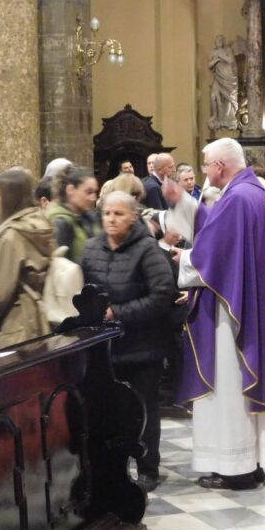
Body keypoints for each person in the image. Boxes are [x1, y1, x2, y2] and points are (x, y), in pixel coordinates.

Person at [169, 138, 265, 490]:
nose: (203, 171)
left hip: (233, 315)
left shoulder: (238, 198)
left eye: (205, 164)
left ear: (219, 166)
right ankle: (251, 463)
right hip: (248, 301)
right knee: (237, 388)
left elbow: (214, 257)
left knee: (229, 385)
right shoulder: (253, 192)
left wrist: (180, 258)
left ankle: (237, 468)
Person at [82, 191, 177, 492]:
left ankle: (149, 467)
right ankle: (113, 467)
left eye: (119, 214)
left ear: (133, 217)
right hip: (105, 348)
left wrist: (118, 313)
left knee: (143, 409)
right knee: (109, 411)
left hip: (141, 346)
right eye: (107, 213)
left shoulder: (147, 249)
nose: (111, 219)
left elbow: (162, 294)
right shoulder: (91, 247)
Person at [0, 170, 54, 348]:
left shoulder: (12, 236)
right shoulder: (42, 224)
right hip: (42, 319)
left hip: (18, 325)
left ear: (10, 197)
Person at [45, 166, 100, 264]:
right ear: (70, 190)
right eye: (89, 192)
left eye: (95, 192)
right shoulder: (59, 222)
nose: (93, 198)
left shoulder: (90, 216)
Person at [208, 34, 239, 130]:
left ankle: (227, 120)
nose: (219, 41)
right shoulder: (213, 52)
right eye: (217, 39)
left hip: (228, 77)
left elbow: (230, 60)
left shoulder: (227, 50)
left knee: (228, 98)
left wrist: (221, 56)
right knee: (214, 97)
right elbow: (210, 65)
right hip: (218, 78)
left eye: (221, 39)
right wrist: (216, 59)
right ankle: (216, 117)